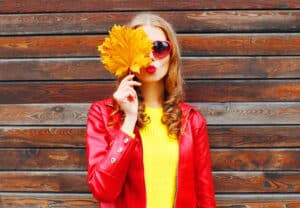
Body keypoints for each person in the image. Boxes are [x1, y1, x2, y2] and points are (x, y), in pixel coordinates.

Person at [86, 13, 216, 208]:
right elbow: (103, 190)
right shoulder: (102, 114)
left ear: (171, 55)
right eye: (142, 49)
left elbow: (204, 195)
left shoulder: (192, 120)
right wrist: (129, 121)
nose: (151, 57)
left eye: (160, 48)